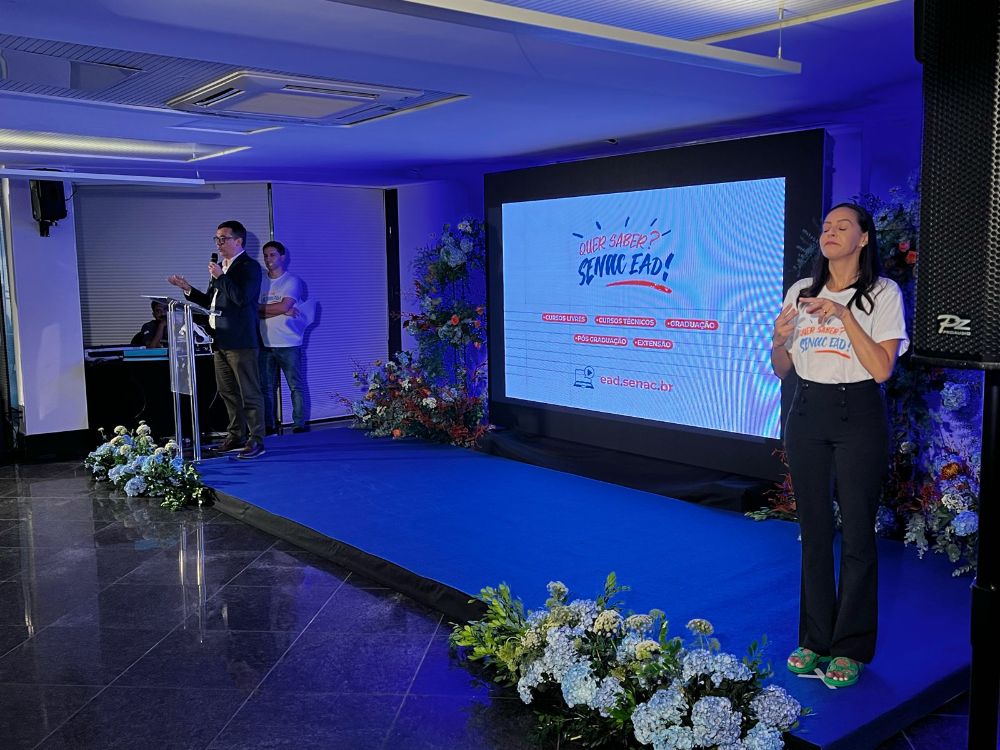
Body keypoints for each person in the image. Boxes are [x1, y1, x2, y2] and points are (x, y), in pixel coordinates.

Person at [770, 203, 908, 689]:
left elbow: (883, 369)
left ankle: (850, 647)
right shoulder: (800, 291)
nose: (830, 232)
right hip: (807, 410)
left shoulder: (883, 293)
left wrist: (844, 314)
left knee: (857, 534)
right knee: (812, 530)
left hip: (858, 413)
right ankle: (814, 639)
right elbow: (782, 369)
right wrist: (779, 340)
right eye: (826, 226)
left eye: (842, 226)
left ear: (863, 238)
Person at [167, 220, 266, 459]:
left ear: (238, 241)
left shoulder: (249, 267)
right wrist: (188, 289)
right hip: (219, 340)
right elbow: (210, 301)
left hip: (241, 341)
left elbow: (241, 298)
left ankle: (256, 440)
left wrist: (221, 276)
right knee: (227, 392)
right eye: (217, 239)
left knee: (249, 393)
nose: (218, 243)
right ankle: (236, 436)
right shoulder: (221, 268)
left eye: (223, 238)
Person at [258, 240, 309, 433]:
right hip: (265, 343)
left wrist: (279, 309)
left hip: (289, 343)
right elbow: (253, 309)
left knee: (295, 386)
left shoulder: (292, 281)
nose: (268, 259)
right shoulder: (261, 282)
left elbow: (284, 306)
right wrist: (279, 310)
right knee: (267, 388)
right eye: (265, 255)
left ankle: (298, 424)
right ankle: (269, 426)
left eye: (272, 255)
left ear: (282, 257)